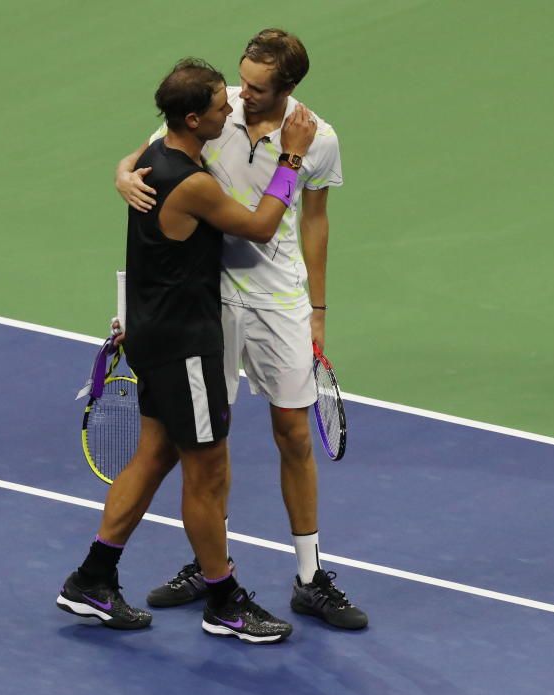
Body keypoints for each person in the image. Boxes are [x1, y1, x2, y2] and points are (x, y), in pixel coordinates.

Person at [57, 57, 316, 644]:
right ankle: (223, 599)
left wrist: (120, 166)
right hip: (186, 346)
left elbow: (131, 159)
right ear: (193, 118)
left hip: (154, 334)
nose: (232, 110)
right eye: (221, 106)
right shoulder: (193, 183)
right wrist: (292, 158)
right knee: (207, 471)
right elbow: (260, 226)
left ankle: (92, 579)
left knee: (153, 456)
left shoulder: (151, 161)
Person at [116, 29, 368, 631]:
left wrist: (320, 310)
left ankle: (309, 577)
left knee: (294, 434)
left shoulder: (318, 138)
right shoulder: (212, 111)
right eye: (242, 81)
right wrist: (119, 173)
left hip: (278, 299)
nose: (244, 95)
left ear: (288, 87)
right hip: (208, 298)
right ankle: (212, 569)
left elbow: (315, 222)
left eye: (257, 88)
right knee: (205, 449)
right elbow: (146, 154)